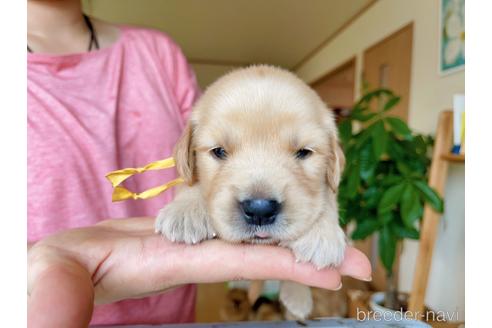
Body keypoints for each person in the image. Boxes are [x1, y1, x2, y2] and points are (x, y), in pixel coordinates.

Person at [27, 0, 371, 327]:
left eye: (302, 153)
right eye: (221, 152)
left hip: (174, 312)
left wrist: (324, 211)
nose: (261, 200)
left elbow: (198, 170)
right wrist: (27, 265)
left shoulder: (159, 53)